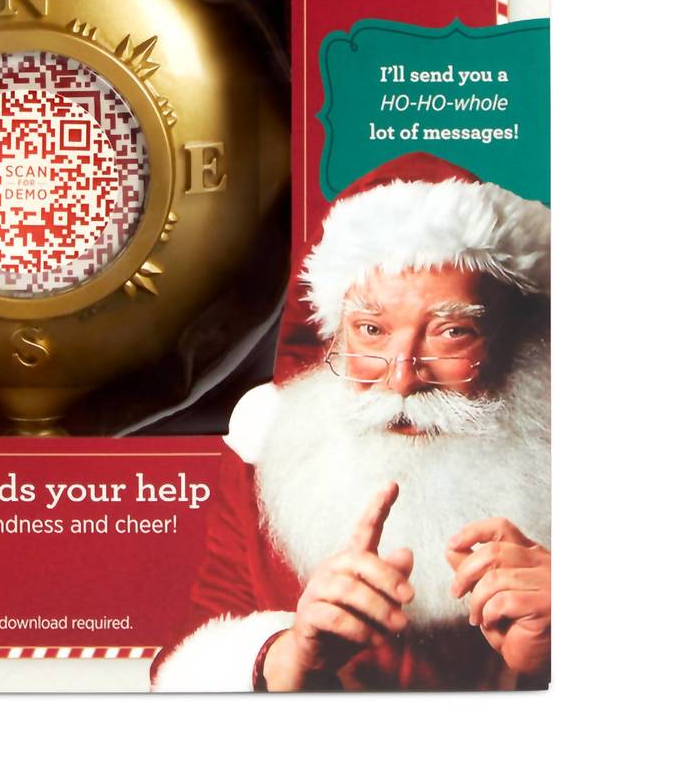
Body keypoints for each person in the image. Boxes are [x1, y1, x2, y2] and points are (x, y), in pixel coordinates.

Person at [152, 153, 551, 691]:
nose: (403, 378)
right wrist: (288, 656)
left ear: (512, 341)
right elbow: (186, 662)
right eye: (371, 330)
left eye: (452, 332)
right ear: (333, 335)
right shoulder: (271, 451)